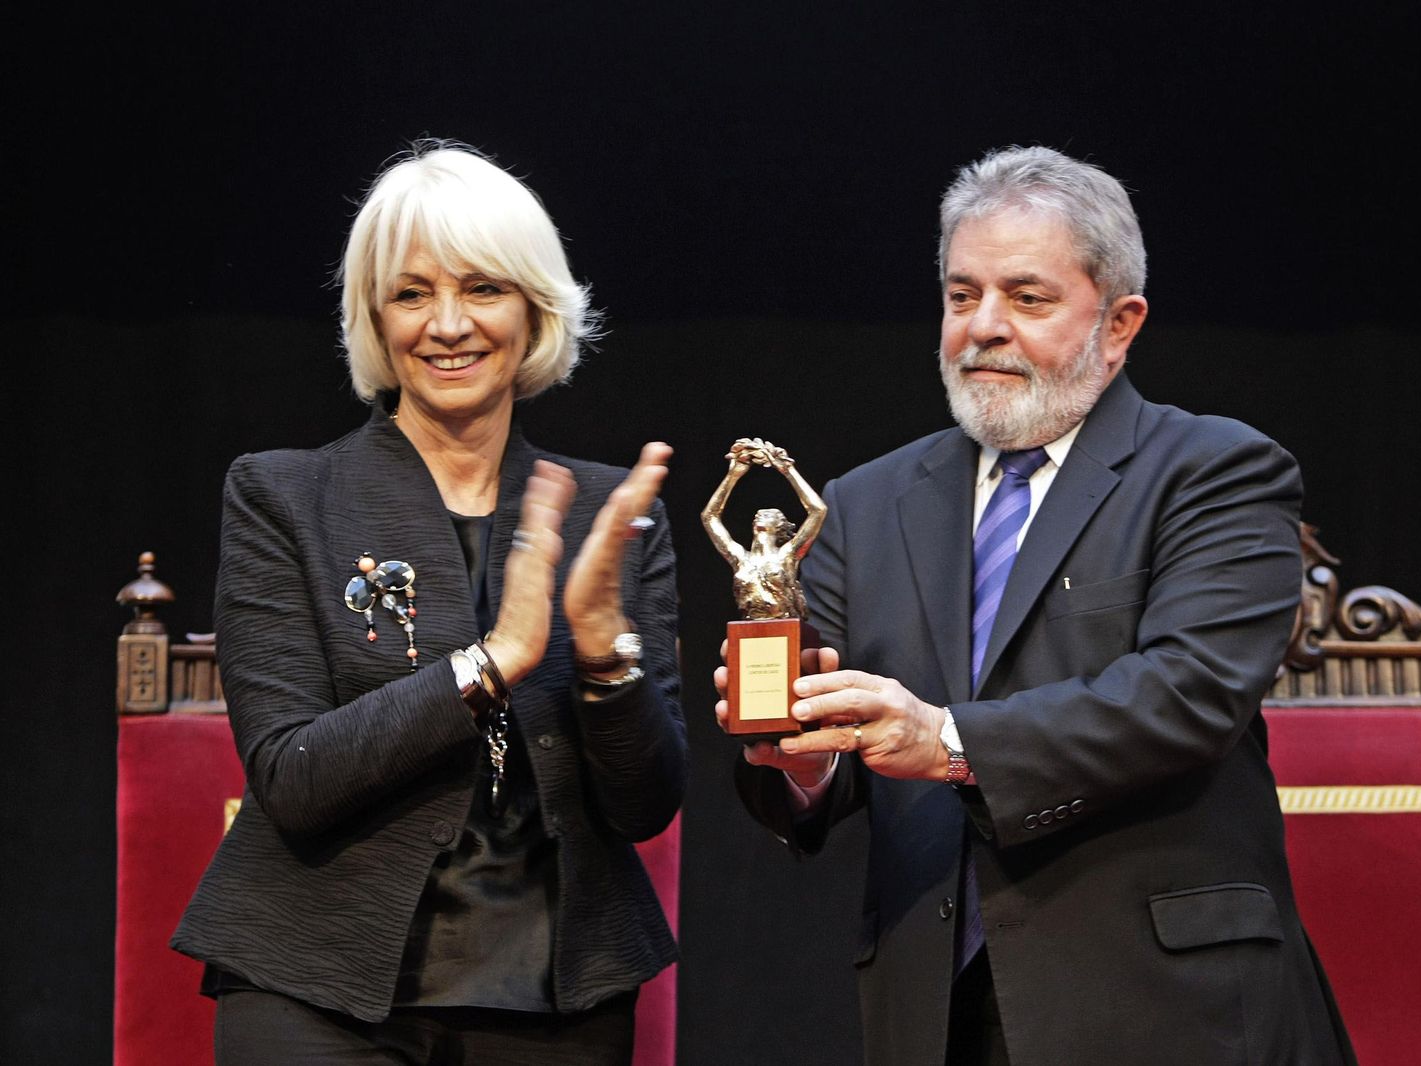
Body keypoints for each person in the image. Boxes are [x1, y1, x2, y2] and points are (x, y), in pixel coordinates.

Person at [720, 147, 1354, 1065]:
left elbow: (1188, 693)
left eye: (1028, 298)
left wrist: (944, 741)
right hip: (935, 1008)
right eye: (961, 294)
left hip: (1165, 1007)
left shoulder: (1216, 469)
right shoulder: (863, 502)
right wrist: (802, 756)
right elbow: (827, 780)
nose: (984, 328)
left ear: (1120, 322)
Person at [172, 141, 685, 1065]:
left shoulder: (608, 515)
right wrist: (493, 661)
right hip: (314, 995)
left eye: (482, 289)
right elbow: (290, 777)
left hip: (559, 1005)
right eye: (412, 294)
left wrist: (608, 662)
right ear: (376, 315)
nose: (447, 325)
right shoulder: (283, 498)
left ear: (534, 310)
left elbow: (646, 805)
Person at [701, 437, 827, 621]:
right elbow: (709, 516)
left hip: (783, 628)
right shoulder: (740, 558)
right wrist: (733, 475)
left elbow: (818, 510)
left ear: (779, 527)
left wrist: (787, 470)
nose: (759, 514)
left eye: (769, 515)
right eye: (758, 514)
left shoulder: (787, 555)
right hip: (750, 630)